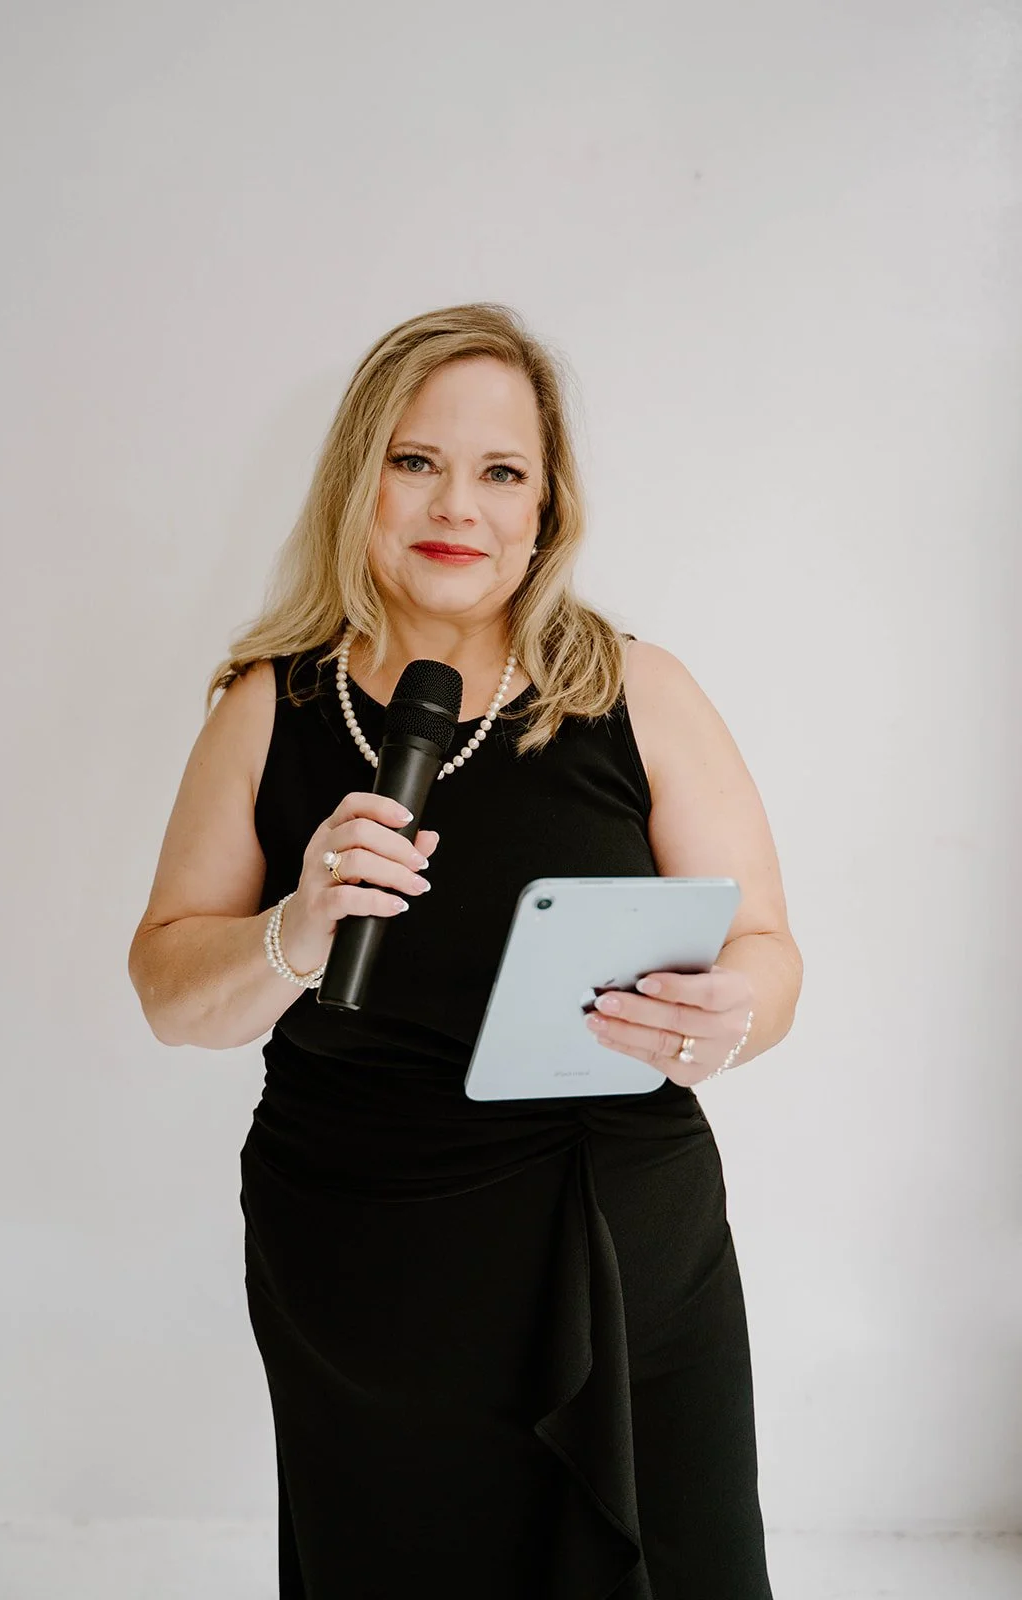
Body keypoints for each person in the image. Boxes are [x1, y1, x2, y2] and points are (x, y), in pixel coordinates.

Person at [127, 302, 803, 1599]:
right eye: (416, 460)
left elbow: (768, 950)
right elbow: (170, 991)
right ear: (357, 479)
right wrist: (294, 927)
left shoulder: (633, 687)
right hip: (367, 1258)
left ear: (547, 509)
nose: (459, 505)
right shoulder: (272, 703)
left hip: (618, 1237)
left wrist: (732, 1015)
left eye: (502, 472)